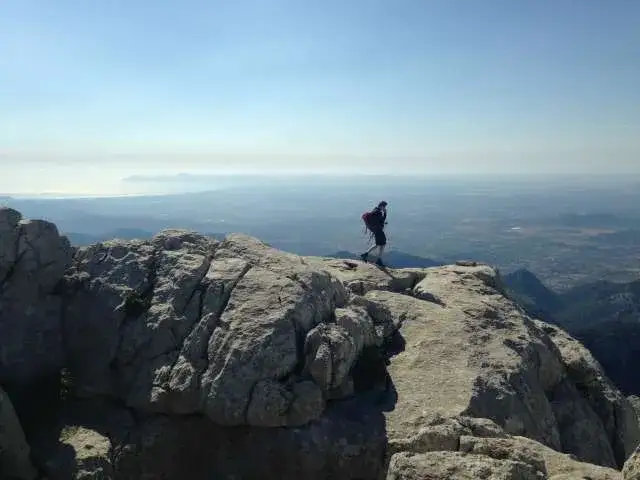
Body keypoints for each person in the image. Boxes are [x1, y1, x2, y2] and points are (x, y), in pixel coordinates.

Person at [360, 201, 388, 266]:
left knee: (378, 244)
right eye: (384, 207)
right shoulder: (378, 212)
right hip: (378, 231)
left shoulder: (374, 210)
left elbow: (377, 221)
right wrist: (385, 213)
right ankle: (378, 260)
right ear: (382, 206)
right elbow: (382, 220)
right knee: (382, 244)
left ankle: (366, 254)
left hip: (376, 230)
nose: (384, 208)